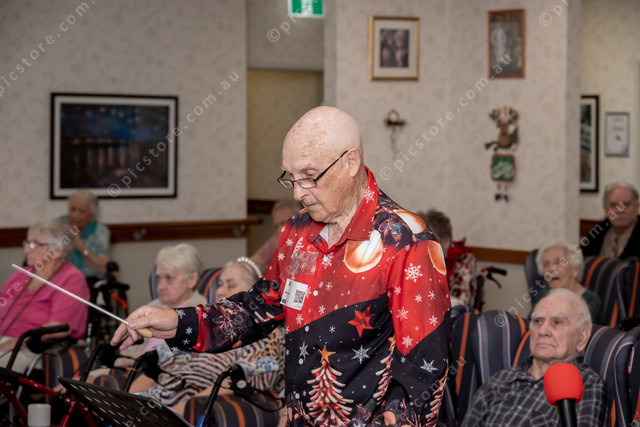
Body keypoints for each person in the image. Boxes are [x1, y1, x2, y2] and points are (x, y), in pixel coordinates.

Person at [112, 106, 451, 426]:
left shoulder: (407, 242)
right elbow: (255, 311)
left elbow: (424, 372)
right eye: (292, 177)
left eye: (310, 177)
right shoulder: (296, 231)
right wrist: (176, 322)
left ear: (351, 162)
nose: (299, 193)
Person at [134, 257, 285, 416]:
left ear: (254, 293)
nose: (220, 290)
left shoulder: (267, 336)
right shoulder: (208, 327)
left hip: (186, 411)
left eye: (230, 285)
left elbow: (241, 383)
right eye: (220, 284)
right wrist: (128, 400)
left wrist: (177, 413)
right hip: (152, 403)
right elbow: (160, 365)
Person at [462, 288, 610, 426]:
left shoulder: (587, 385)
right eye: (537, 321)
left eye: (557, 322)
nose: (543, 331)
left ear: (582, 337)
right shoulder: (501, 379)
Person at [0, 220, 89, 372]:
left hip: (33, 349)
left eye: (34, 244)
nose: (27, 249)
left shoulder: (72, 278)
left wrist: (18, 341)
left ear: (57, 251)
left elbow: (60, 327)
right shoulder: (22, 274)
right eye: (27, 243)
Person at [534, 238, 602, 324]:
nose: (551, 269)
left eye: (559, 262)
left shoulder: (590, 301)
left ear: (575, 269)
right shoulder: (543, 294)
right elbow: (529, 325)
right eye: (546, 265)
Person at [420, 209, 477, 309]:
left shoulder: (465, 261)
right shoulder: (416, 261)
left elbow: (460, 303)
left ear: (446, 242)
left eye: (428, 242)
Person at [58, 190, 111, 279]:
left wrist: (81, 248)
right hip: (63, 280)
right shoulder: (59, 226)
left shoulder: (101, 232)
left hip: (91, 280)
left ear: (92, 215)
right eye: (73, 209)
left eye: (82, 211)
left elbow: (103, 269)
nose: (75, 215)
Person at [582, 182, 640, 259]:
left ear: (636, 208)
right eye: (614, 205)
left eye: (626, 204)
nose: (620, 210)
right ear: (605, 209)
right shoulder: (597, 232)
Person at [249, 198, 302, 268]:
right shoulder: (277, 236)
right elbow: (253, 262)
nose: (279, 229)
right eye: (277, 226)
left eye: (283, 223)